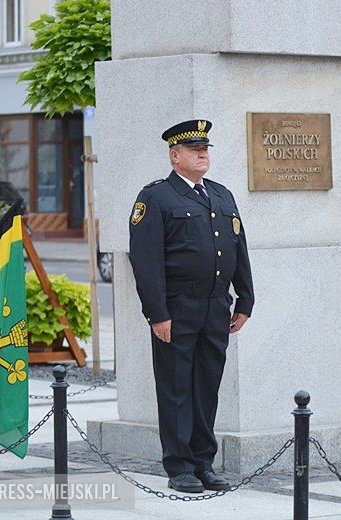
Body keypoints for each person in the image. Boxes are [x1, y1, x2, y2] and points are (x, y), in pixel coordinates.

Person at [129, 119, 254, 492]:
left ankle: (204, 462)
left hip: (216, 307)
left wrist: (245, 299)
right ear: (175, 156)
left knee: (207, 387)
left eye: (205, 149)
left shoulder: (220, 195)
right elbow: (145, 260)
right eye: (194, 149)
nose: (202, 154)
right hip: (177, 308)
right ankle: (180, 465)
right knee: (176, 388)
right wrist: (157, 313)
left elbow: (238, 249)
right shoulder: (156, 197)